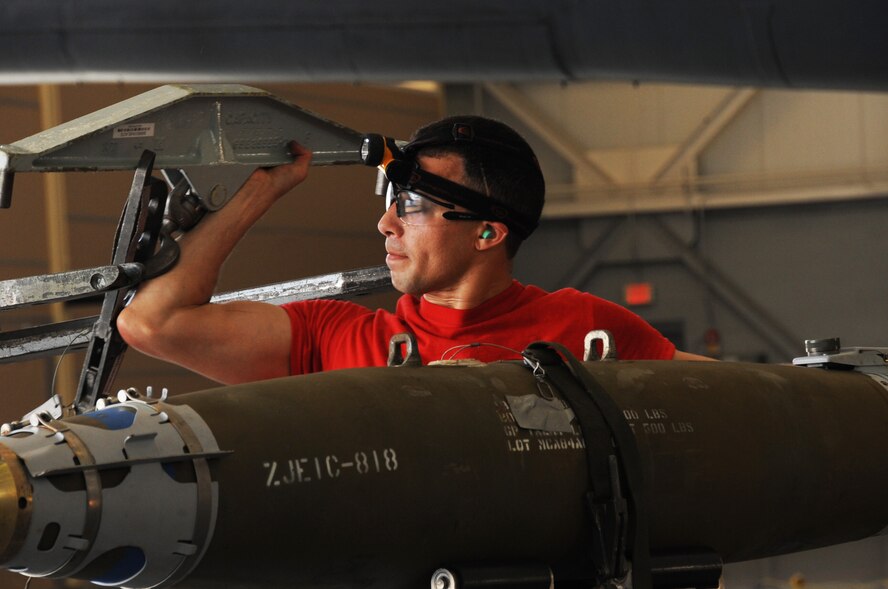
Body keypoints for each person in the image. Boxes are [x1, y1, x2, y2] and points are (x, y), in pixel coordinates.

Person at [117, 116, 711, 385]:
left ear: (488, 232)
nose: (384, 225)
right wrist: (259, 192)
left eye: (411, 205)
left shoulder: (586, 331)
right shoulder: (334, 340)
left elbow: (743, 404)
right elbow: (152, 322)